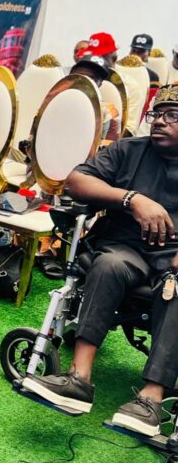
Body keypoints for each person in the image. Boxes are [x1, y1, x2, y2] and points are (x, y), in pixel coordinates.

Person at [22, 85, 178, 436]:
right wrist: (132, 199)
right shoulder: (129, 150)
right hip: (125, 248)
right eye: (157, 114)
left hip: (173, 261)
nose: (160, 122)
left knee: (176, 288)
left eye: (172, 116)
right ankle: (78, 379)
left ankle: (151, 400)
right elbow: (76, 181)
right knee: (107, 265)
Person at [70, 53, 121, 143]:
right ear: (70, 77)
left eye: (92, 79)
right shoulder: (54, 102)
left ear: (100, 84)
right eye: (81, 76)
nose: (86, 82)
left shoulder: (108, 112)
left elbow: (108, 148)